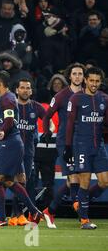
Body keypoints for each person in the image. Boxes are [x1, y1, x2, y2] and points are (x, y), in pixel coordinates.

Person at [0, 71, 42, 227]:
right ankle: (34, 211)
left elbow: (9, 120)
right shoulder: (3, 98)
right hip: (13, 143)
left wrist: (1, 133)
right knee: (9, 181)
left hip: (9, 143)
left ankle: (1, 219)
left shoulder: (8, 99)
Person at [42, 63, 85, 229]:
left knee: (75, 180)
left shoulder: (86, 95)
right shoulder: (61, 96)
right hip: (64, 142)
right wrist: (47, 132)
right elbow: (47, 117)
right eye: (74, 74)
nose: (77, 77)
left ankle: (50, 210)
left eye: (80, 74)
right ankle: (82, 216)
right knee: (74, 178)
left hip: (82, 142)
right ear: (69, 76)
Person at [64, 66, 108, 229]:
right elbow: (69, 124)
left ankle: (81, 202)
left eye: (97, 81)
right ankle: (84, 220)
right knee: (85, 181)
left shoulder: (104, 99)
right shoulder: (76, 98)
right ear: (86, 80)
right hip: (81, 145)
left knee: (104, 182)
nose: (94, 84)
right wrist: (68, 147)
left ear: (100, 81)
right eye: (91, 80)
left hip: (99, 146)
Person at [9, 78, 48, 226]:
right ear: (17, 90)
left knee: (22, 183)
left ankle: (16, 215)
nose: (25, 90)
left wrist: (48, 129)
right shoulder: (11, 106)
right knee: (16, 182)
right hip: (13, 151)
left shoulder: (36, 107)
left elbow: (47, 119)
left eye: (28, 88)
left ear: (31, 91)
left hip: (29, 151)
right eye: (22, 88)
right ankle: (16, 215)